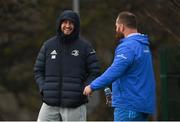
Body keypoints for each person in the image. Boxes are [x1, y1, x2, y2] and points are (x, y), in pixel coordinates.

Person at [83, 11, 156, 121]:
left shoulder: (127, 46)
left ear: (121, 27)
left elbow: (115, 71)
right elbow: (136, 76)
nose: (116, 29)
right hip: (142, 106)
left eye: (116, 26)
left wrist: (92, 86)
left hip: (129, 107)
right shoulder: (143, 45)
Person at [34, 10, 100, 121]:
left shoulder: (85, 47)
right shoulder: (48, 45)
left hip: (74, 104)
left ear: (76, 25)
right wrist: (43, 88)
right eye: (65, 22)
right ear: (60, 24)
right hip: (49, 104)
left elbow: (95, 71)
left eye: (71, 23)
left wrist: (86, 87)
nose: (67, 26)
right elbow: (38, 70)